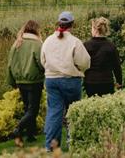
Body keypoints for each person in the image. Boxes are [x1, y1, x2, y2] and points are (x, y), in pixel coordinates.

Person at [41, 11, 90, 151]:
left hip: (51, 80)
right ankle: (72, 142)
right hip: (70, 80)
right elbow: (85, 62)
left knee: (54, 112)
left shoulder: (48, 40)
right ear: (72, 25)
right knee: (72, 111)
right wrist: (76, 69)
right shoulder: (75, 41)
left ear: (59, 23)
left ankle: (51, 146)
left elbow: (43, 60)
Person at [6, 20, 45, 147]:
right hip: (34, 81)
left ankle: (30, 135)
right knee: (32, 110)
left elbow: (10, 65)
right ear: (36, 30)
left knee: (27, 108)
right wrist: (44, 72)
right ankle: (18, 128)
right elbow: (41, 62)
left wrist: (12, 81)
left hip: (20, 81)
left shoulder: (17, 44)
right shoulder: (37, 44)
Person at [83, 17, 122, 97]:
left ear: (95, 29)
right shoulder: (111, 46)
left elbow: (82, 63)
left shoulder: (86, 45)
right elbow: (117, 66)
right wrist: (119, 81)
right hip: (106, 81)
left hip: (90, 81)